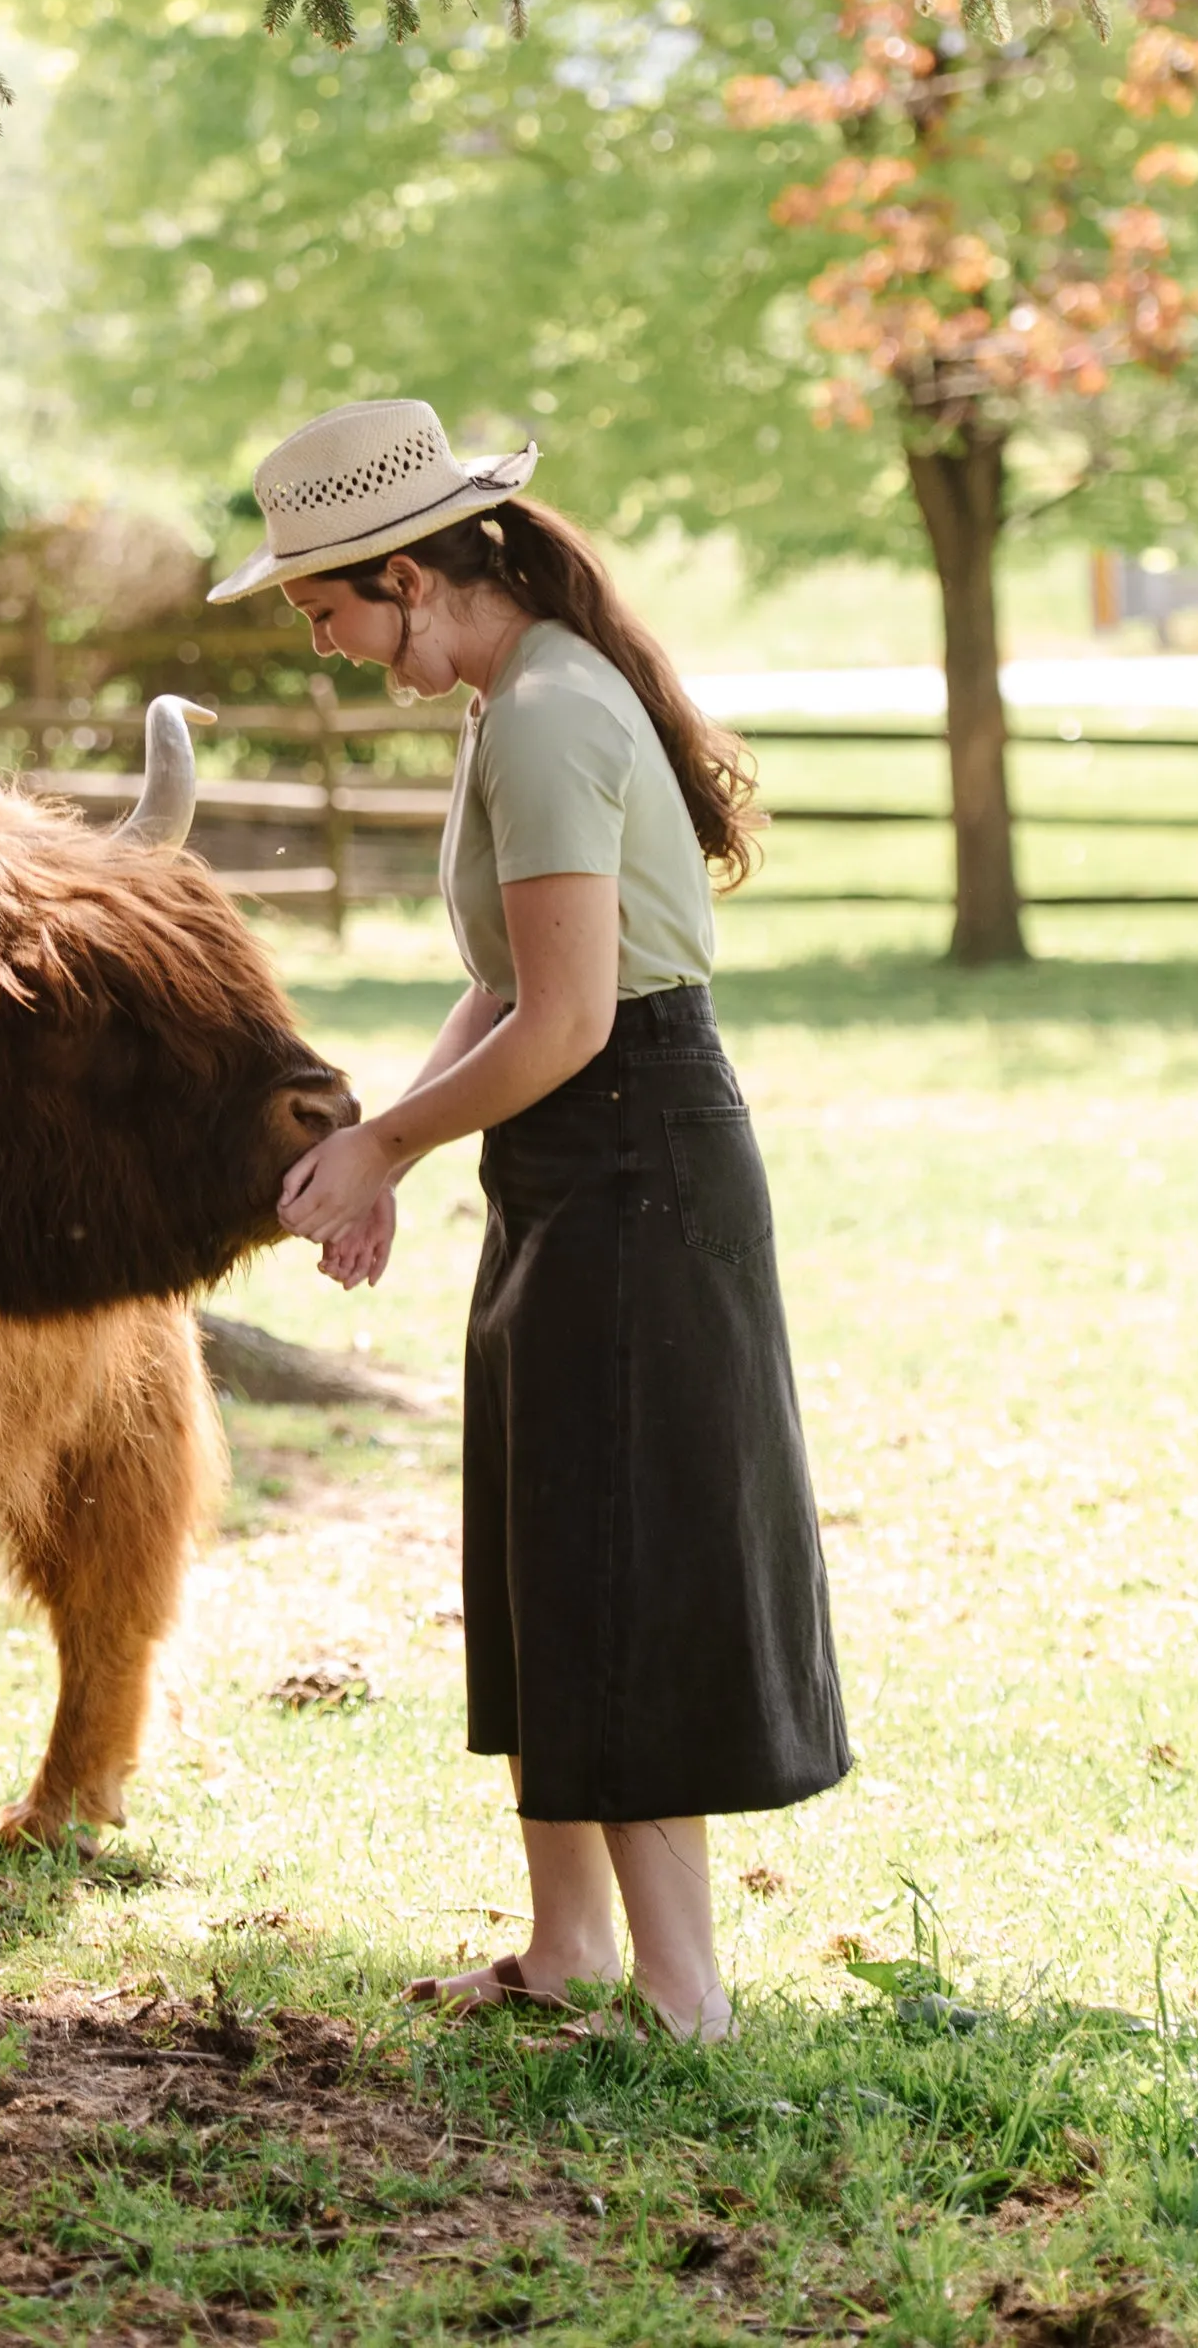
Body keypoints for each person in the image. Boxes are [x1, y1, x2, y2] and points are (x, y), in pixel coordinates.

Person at [213, 399, 850, 2043]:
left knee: (619, 1551)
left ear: (413, 575)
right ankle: (567, 1948)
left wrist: (390, 1148)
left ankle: (683, 1994)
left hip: (632, 1147)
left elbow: (567, 1019)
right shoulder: (521, 698)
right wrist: (390, 1150)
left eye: (329, 609)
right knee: (554, 1540)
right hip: (573, 1154)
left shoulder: (555, 713)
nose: (331, 643)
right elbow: (499, 981)